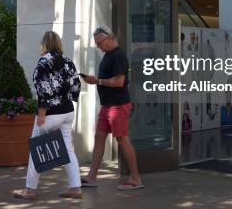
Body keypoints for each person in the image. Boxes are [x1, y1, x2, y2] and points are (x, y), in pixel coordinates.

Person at [13, 31, 82, 199]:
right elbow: (76, 84)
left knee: (36, 149)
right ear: (58, 44)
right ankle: (75, 188)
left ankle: (30, 190)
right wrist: (69, 99)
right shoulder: (68, 62)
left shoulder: (44, 62)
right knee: (68, 149)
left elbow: (41, 87)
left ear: (44, 44)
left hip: (50, 113)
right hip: (67, 112)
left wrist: (42, 112)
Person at [81, 25, 144, 190]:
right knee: (99, 138)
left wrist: (98, 81)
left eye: (99, 43)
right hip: (107, 105)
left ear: (109, 38)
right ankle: (91, 177)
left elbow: (119, 82)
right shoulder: (108, 55)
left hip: (118, 105)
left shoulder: (118, 56)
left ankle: (136, 179)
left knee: (122, 139)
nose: (98, 46)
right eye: (96, 43)